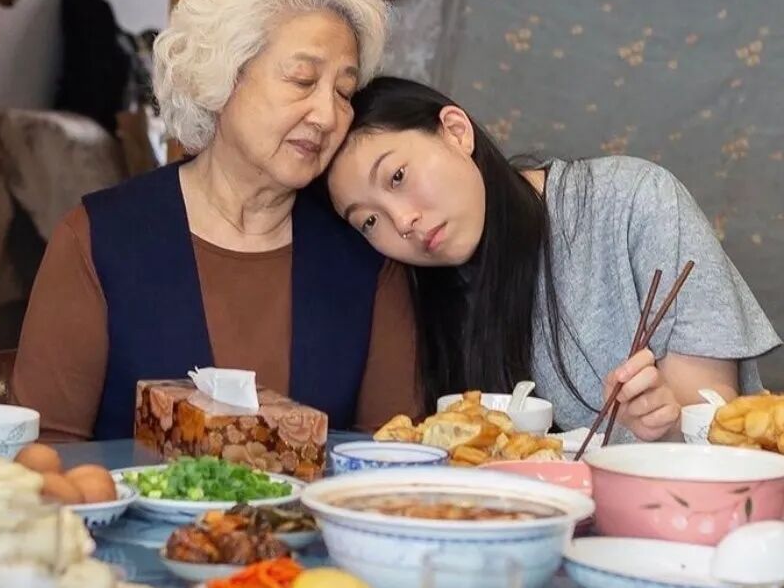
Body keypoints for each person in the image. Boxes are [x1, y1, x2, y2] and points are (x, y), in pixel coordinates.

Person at [12, 0, 421, 441]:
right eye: (302, 79)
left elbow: (392, 453)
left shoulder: (364, 252)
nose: (327, 115)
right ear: (222, 78)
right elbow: (46, 451)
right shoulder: (100, 239)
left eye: (343, 92)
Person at [327, 76, 781, 442]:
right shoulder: (416, 294)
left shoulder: (634, 200)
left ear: (456, 131)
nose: (402, 221)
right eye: (369, 221)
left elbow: (714, 415)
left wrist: (667, 419)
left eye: (397, 177)